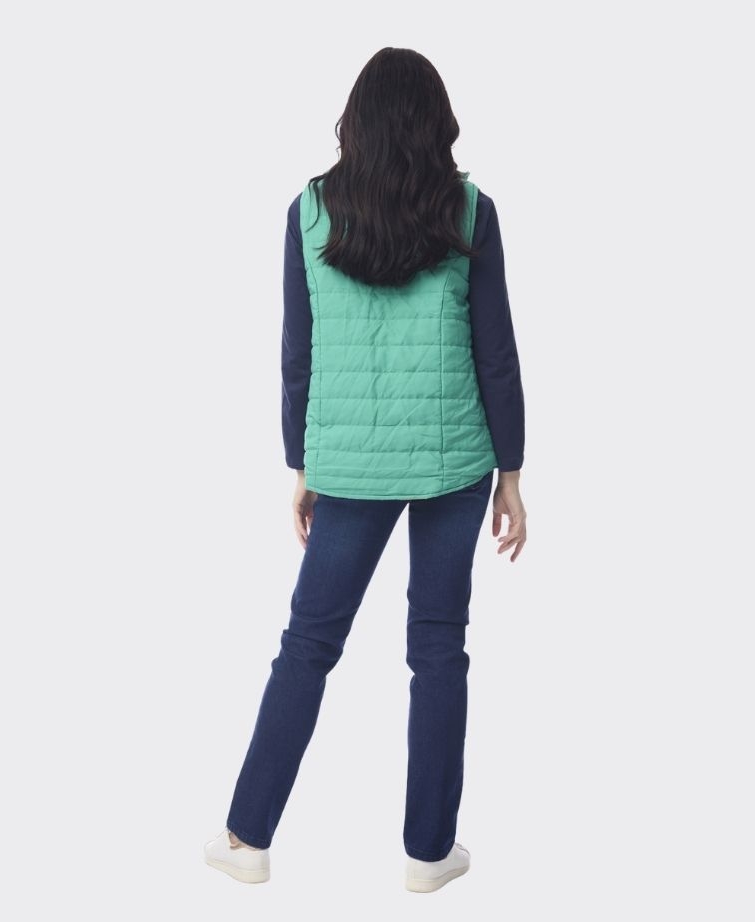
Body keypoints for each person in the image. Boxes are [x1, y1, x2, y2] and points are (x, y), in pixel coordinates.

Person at [204, 46, 527, 893]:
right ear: (436, 121)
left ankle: (246, 839)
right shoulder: (469, 209)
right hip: (455, 457)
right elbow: (496, 350)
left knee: (308, 644)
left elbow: (296, 353)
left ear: (357, 121)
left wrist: (302, 464)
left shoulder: (310, 211)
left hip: (347, 463)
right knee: (439, 648)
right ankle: (429, 854)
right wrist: (511, 471)